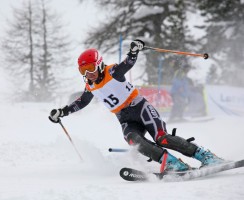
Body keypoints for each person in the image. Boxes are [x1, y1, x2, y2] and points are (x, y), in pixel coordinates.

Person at [49, 40, 223, 172]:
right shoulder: (90, 86)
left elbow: (128, 63)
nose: (88, 74)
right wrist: (62, 112)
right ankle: (173, 164)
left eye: (90, 68)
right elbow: (82, 102)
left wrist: (133, 51)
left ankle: (205, 156)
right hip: (125, 118)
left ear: (99, 64)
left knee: (161, 138)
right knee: (134, 141)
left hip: (140, 108)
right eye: (83, 70)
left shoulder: (112, 72)